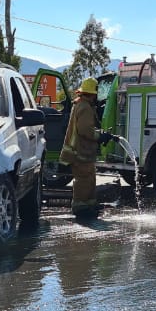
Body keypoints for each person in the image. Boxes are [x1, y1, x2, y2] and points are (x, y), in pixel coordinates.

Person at [60, 77, 112, 219]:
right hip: (80, 152)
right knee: (83, 179)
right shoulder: (85, 107)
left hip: (83, 152)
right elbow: (85, 130)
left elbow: (86, 128)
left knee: (89, 178)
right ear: (93, 93)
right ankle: (81, 207)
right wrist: (100, 136)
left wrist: (101, 133)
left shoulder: (81, 104)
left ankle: (89, 204)